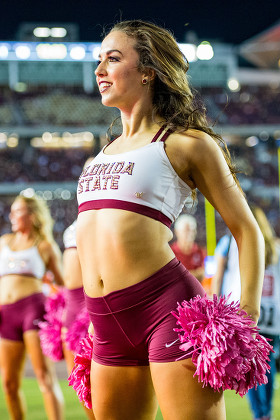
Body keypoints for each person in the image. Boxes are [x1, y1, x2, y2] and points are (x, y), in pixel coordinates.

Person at [76, 20, 265, 420]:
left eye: (113, 59)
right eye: (99, 60)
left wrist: (248, 312)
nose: (100, 71)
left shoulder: (185, 143)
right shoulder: (100, 155)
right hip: (105, 322)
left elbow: (247, 230)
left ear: (148, 70)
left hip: (168, 311)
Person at [212, 205, 280, 420]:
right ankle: (266, 412)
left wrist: (215, 308)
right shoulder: (275, 247)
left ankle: (261, 414)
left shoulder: (229, 242)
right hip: (273, 316)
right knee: (267, 367)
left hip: (245, 313)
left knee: (250, 369)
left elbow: (218, 277)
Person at [0, 193, 65, 420]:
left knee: (44, 378)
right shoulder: (4, 242)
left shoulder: (44, 246)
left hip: (33, 310)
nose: (12, 215)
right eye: (13, 211)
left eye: (18, 211)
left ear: (33, 215)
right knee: (8, 383)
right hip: (5, 315)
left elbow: (63, 284)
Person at [61, 219, 95, 419]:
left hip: (91, 310)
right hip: (71, 313)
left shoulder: (104, 211)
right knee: (80, 385)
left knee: (98, 386)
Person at [171, 214, 205, 281]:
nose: (189, 234)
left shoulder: (199, 251)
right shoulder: (170, 251)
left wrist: (181, 275)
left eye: (192, 230)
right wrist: (194, 274)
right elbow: (171, 277)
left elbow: (202, 275)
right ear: (177, 232)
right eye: (186, 230)